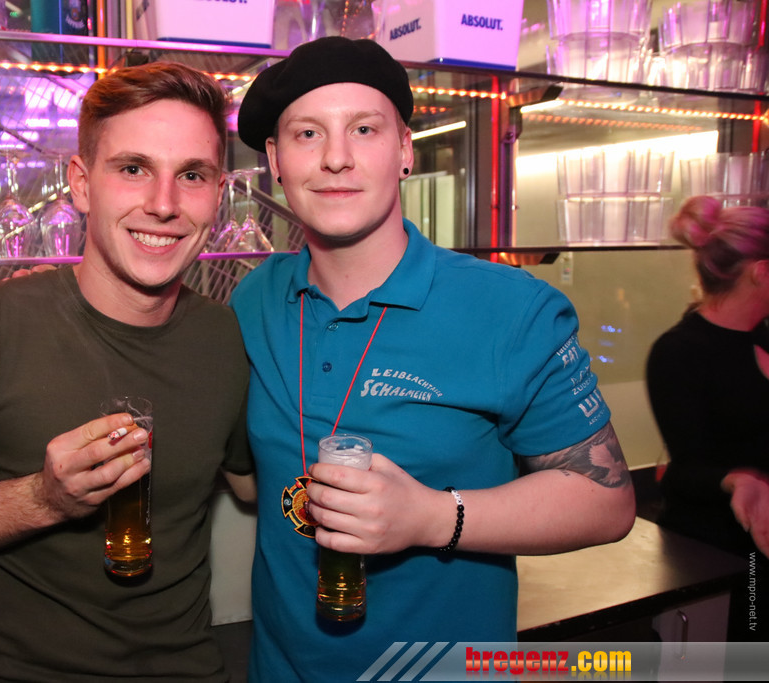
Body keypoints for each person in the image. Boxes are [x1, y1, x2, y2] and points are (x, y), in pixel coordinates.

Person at [230, 36, 636, 680]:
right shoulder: (254, 298)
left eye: (364, 129)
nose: (336, 158)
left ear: (404, 151)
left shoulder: (510, 309)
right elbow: (246, 470)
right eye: (308, 134)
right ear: (275, 161)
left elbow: (606, 502)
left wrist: (429, 517)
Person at [0, 61, 256, 682]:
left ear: (219, 191)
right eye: (132, 169)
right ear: (81, 184)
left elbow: (258, 485)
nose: (163, 204)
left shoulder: (226, 338)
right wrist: (42, 499)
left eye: (192, 175)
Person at [645, 195, 768, 640]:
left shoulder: (763, 336)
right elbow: (687, 471)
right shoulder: (681, 352)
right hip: (717, 554)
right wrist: (738, 480)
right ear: (761, 271)